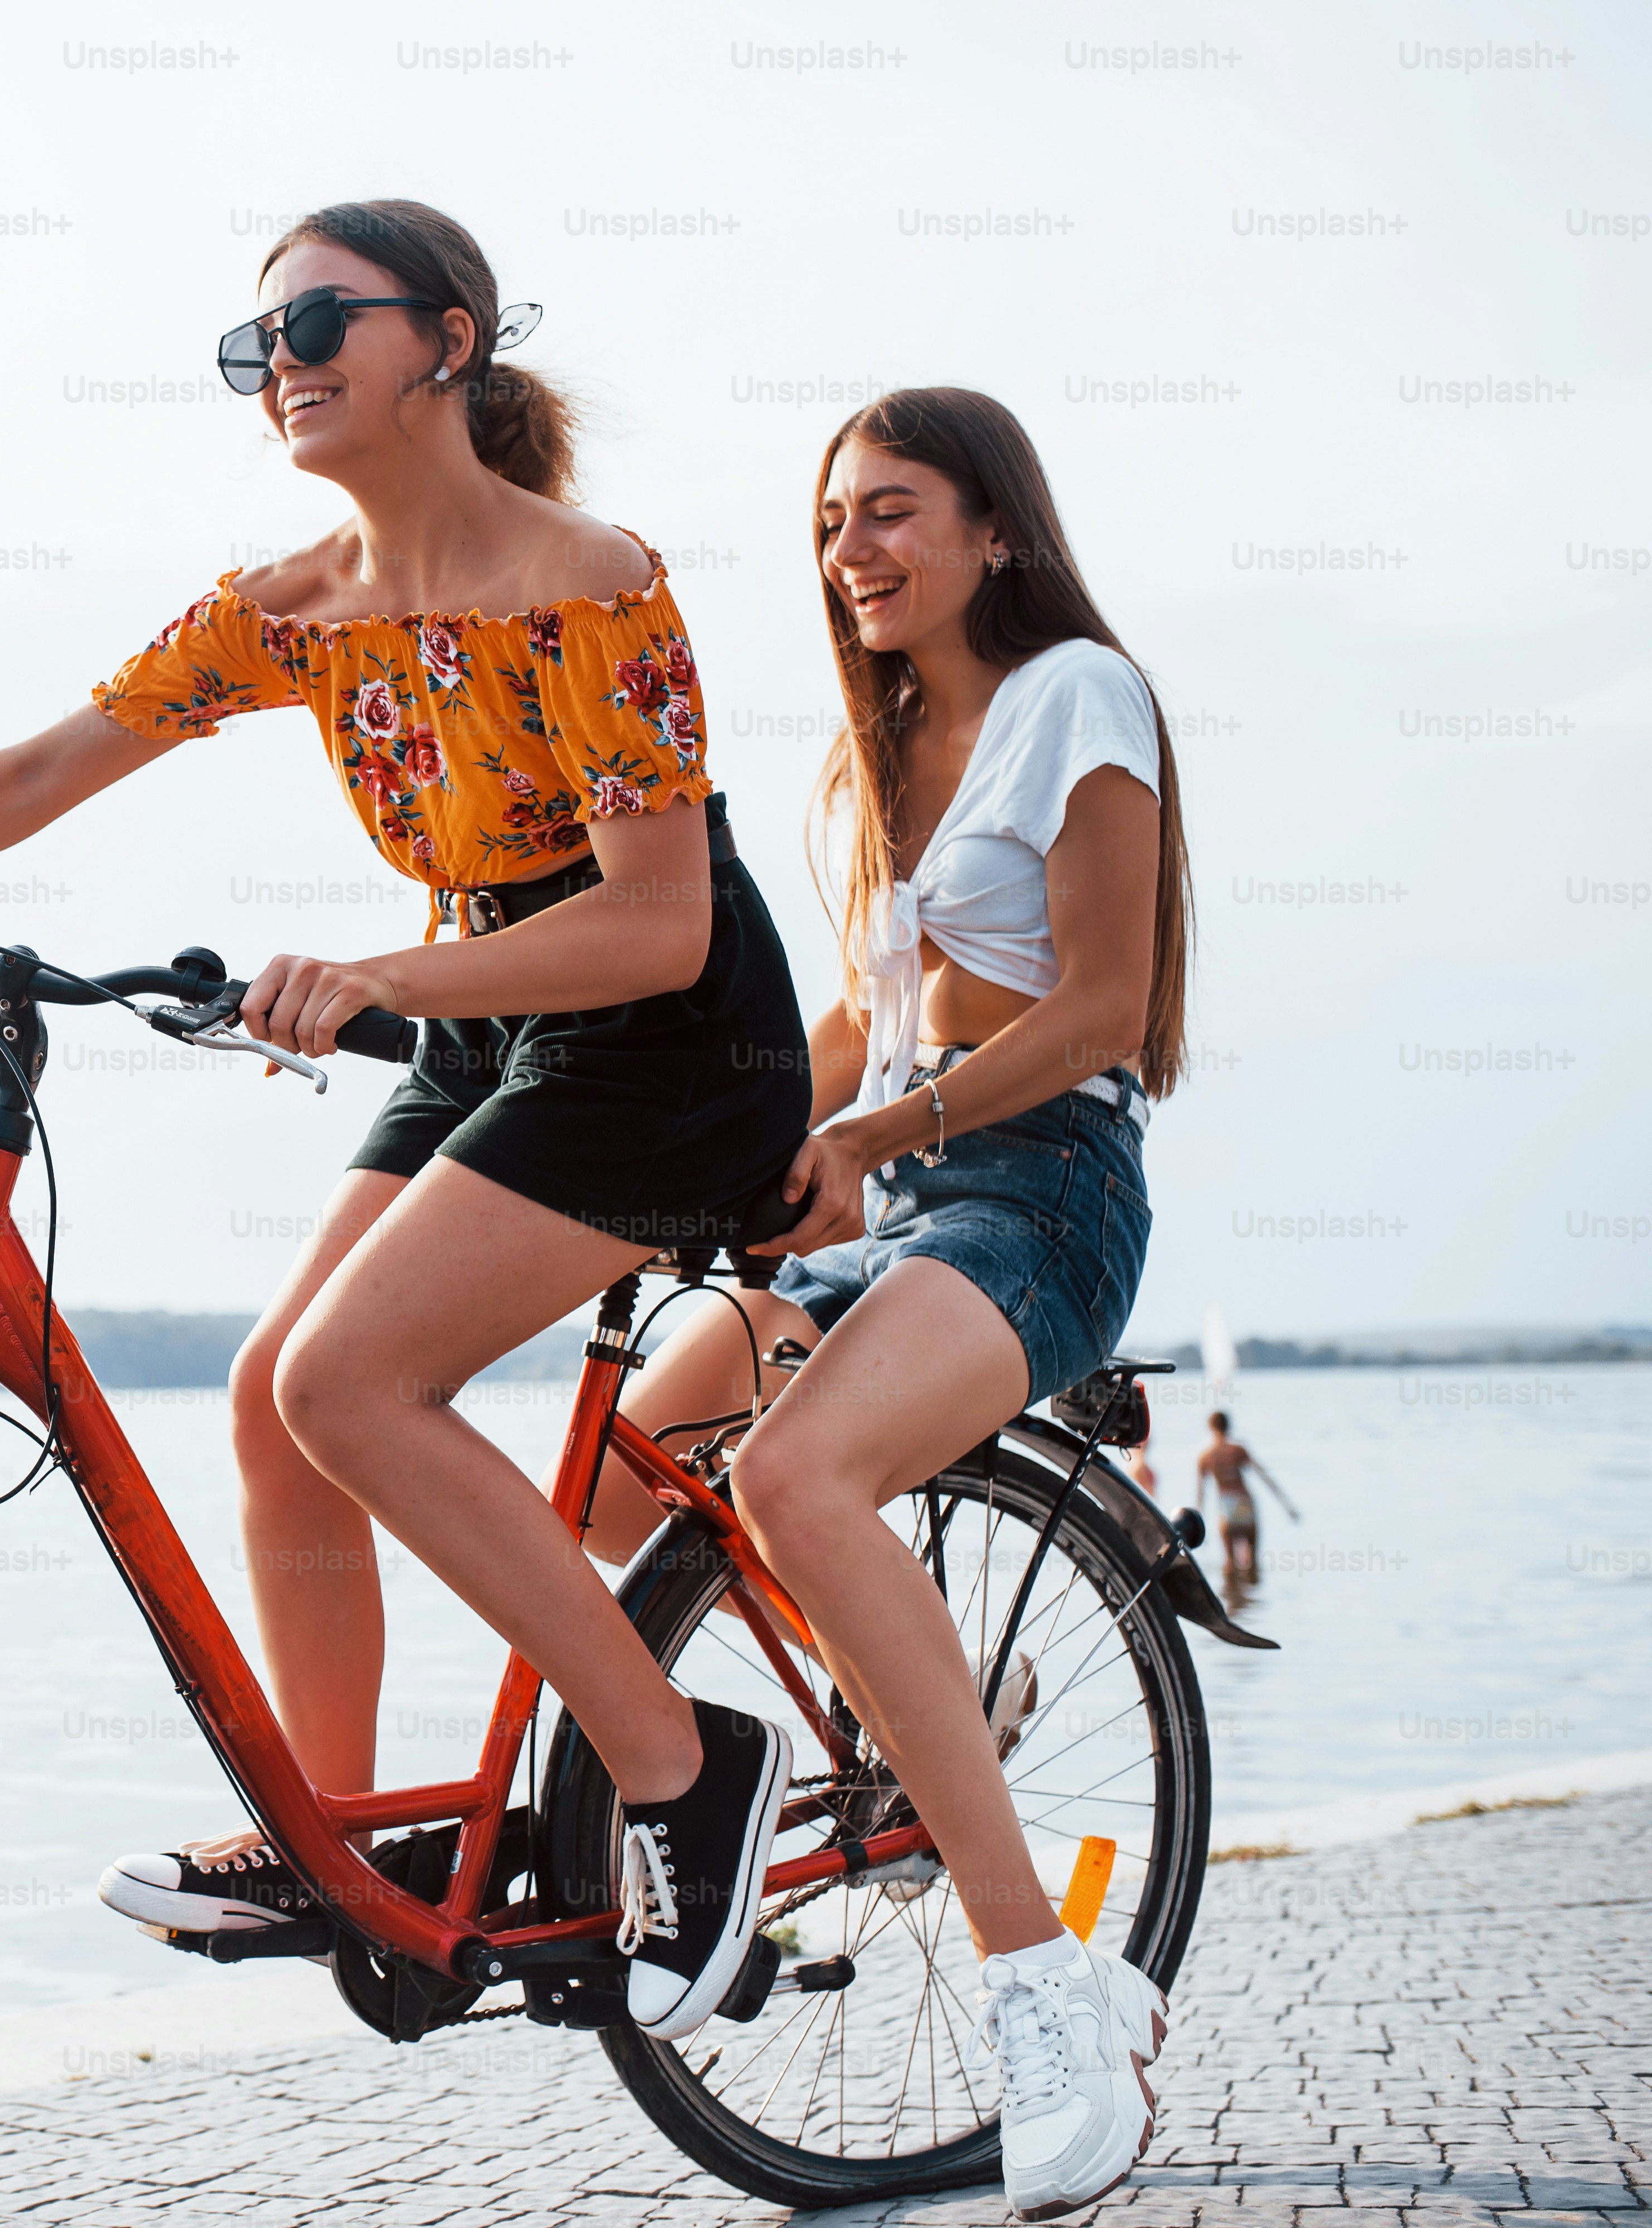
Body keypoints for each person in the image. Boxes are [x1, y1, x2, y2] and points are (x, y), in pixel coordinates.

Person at [0, 200, 810, 2041]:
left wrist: (373, 978)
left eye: (314, 324)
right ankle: (339, 1830)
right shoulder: (287, 609)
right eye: (254, 344)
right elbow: (47, 764)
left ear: (445, 342)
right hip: (483, 997)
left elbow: (657, 919)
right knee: (270, 1403)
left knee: (346, 1385)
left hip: (664, 1031)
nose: (277, 363)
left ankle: (679, 1771)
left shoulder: (587, 581)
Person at [597, 388, 1193, 2219]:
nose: (849, 549)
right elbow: (855, 1023)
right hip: (892, 1192)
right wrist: (706, 1157)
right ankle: (900, 1677)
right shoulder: (885, 747)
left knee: (787, 1480)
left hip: (1040, 1191)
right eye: (830, 521)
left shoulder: (1073, 696)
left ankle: (1046, 1990)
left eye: (889, 512)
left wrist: (884, 1127)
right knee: (624, 1472)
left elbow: (1099, 1005)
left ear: (992, 530)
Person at [1197, 1409, 1298, 1583]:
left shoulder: (1206, 1456)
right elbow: (1265, 1477)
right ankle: (1251, 1598)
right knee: (1252, 1564)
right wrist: (1288, 1506)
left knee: (1230, 1563)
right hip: (1244, 1502)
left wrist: (1198, 1528)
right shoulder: (1237, 1450)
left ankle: (1234, 1602)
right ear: (1229, 1426)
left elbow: (1201, 1494)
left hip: (1226, 1505)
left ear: (1211, 1428)